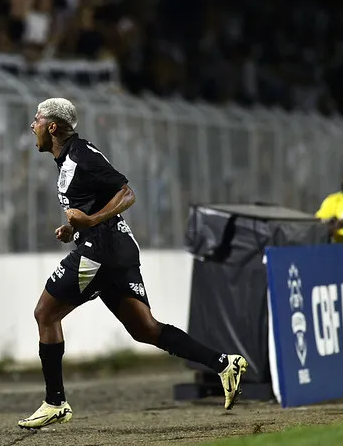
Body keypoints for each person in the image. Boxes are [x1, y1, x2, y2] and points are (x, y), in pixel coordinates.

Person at [18, 98, 248, 429]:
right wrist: (74, 226)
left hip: (99, 252)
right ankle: (224, 363)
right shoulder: (68, 158)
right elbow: (91, 203)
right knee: (145, 329)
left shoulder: (82, 156)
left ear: (52, 127)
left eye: (36, 120)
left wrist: (91, 220)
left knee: (45, 313)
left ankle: (55, 401)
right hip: (116, 250)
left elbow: (127, 193)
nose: (32, 125)